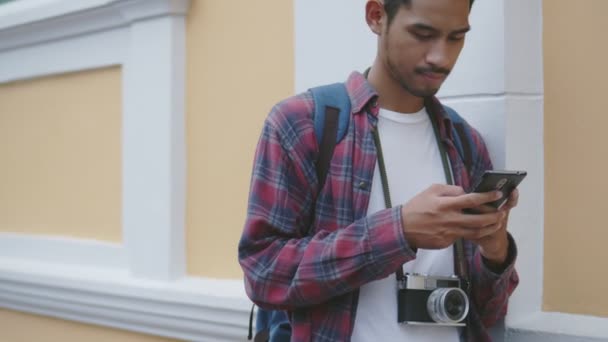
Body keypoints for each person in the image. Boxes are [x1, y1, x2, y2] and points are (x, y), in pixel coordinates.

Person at [238, 0, 519, 341]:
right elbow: (264, 273)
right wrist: (399, 231)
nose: (441, 57)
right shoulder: (303, 124)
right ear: (376, 16)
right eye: (422, 34)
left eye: (455, 38)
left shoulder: (463, 143)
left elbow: (486, 312)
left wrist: (495, 250)